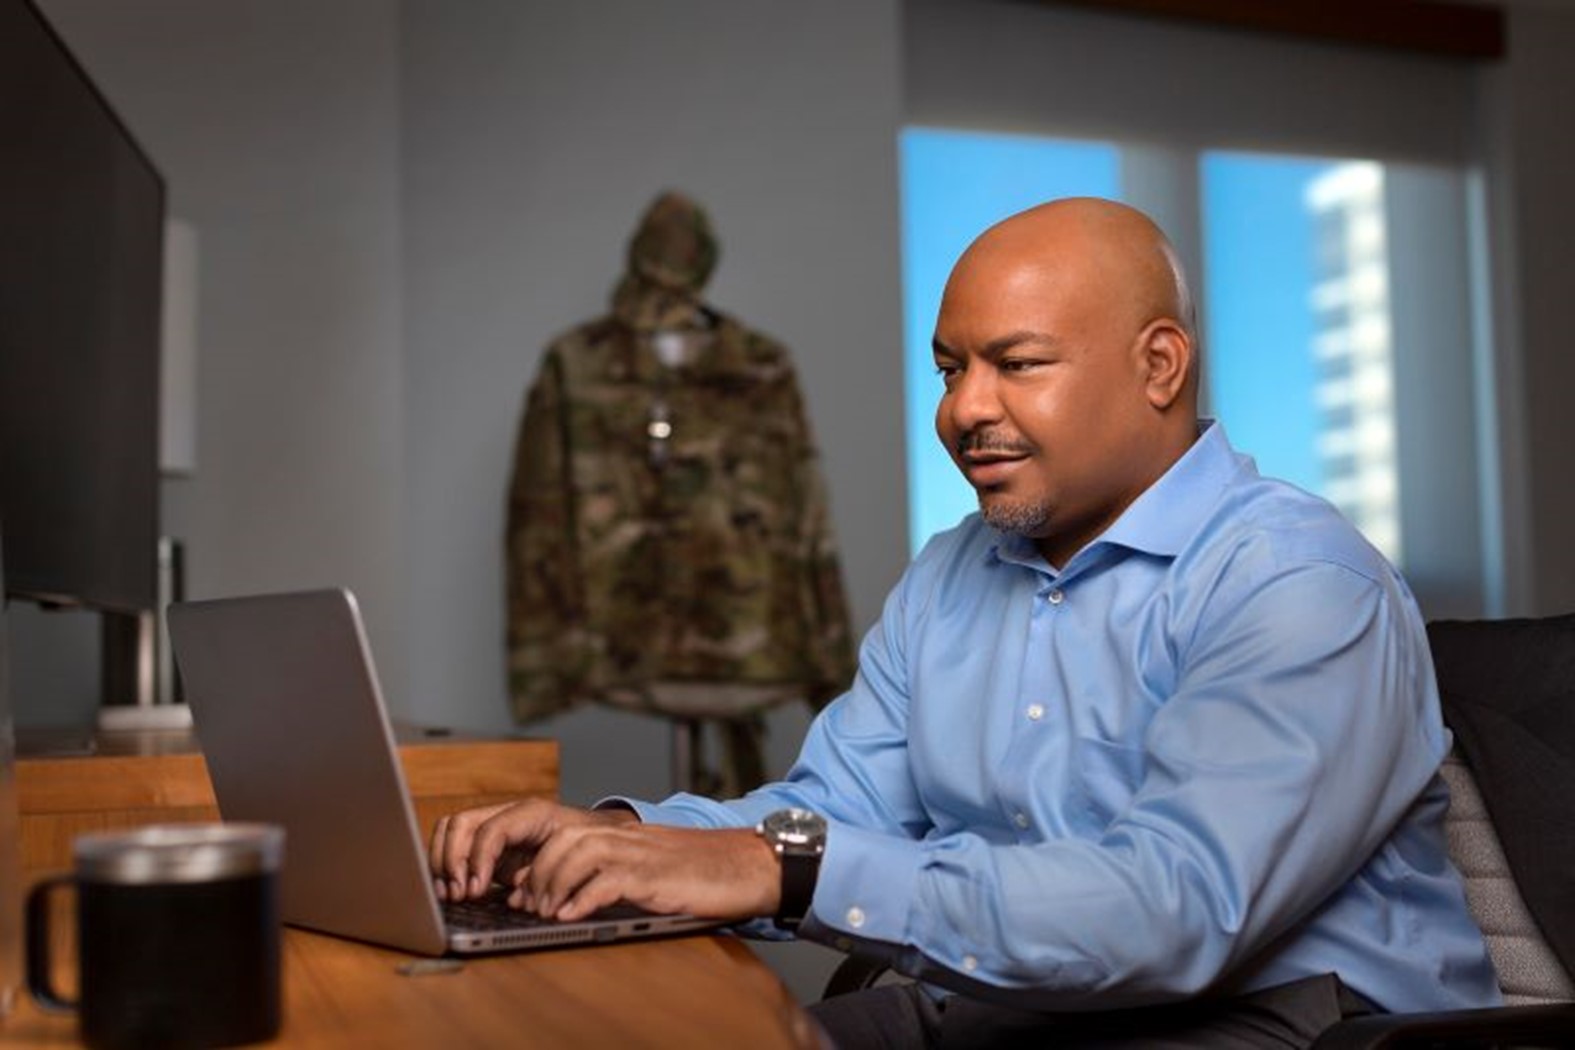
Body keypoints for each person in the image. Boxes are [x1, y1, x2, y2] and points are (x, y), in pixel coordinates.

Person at [431, 198, 1499, 1048]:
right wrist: (628, 840)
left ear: (1159, 366)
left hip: (1287, 1023)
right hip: (1008, 1008)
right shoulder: (953, 573)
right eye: (950, 369)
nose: (964, 410)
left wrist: (783, 867)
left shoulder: (1297, 583)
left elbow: (1173, 912)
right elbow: (832, 808)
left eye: (1016, 363)